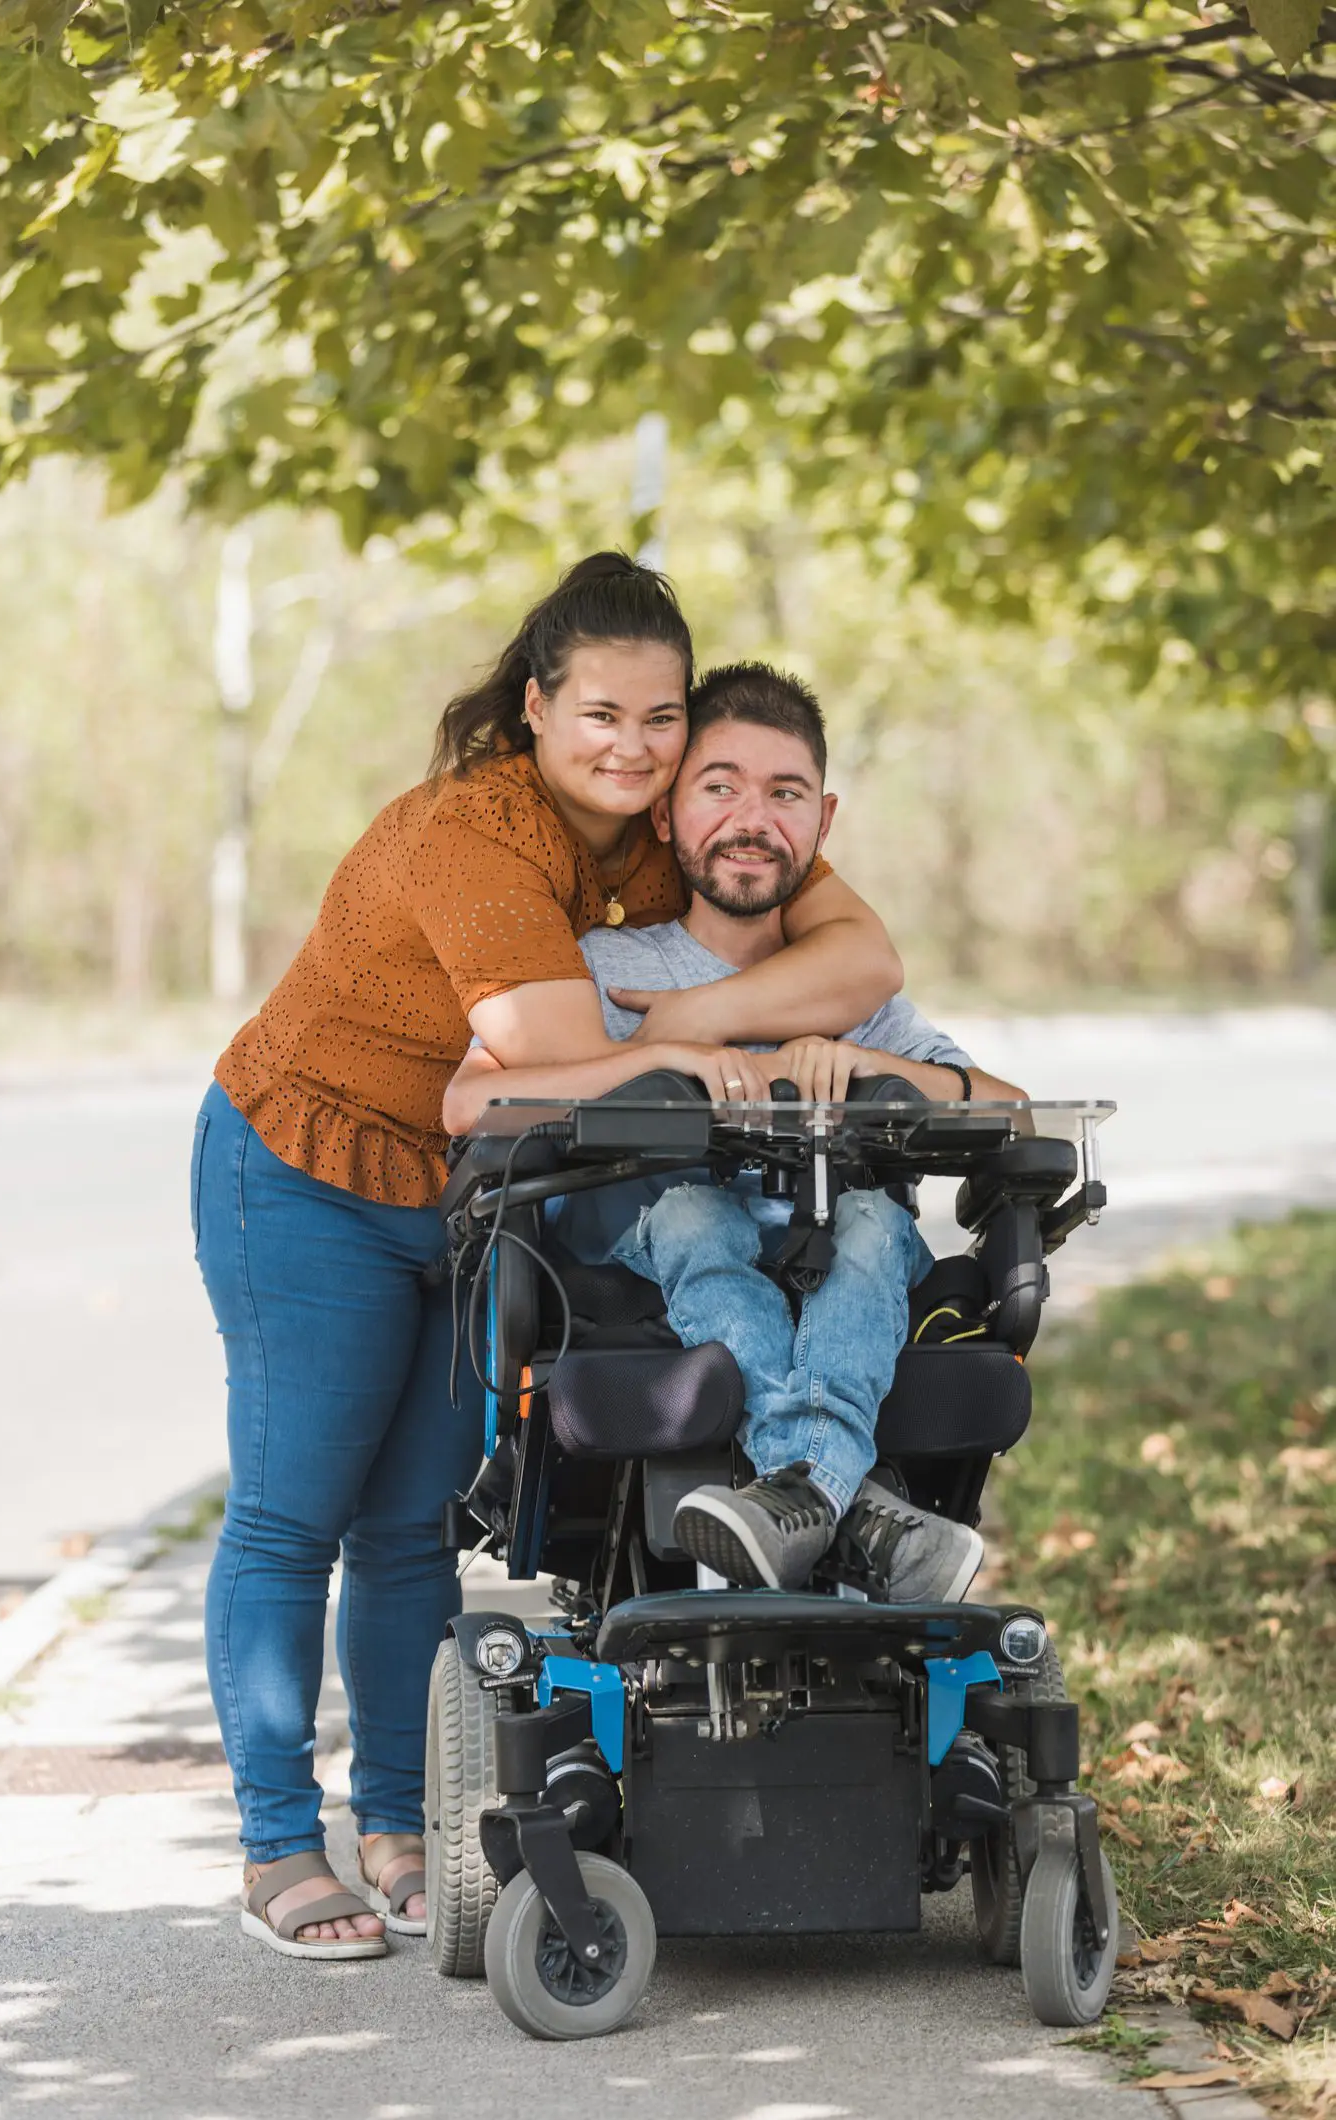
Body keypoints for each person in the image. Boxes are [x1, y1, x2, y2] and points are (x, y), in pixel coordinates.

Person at [193, 558, 906, 1957]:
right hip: (309, 1167)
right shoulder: (469, 836)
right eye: (601, 714)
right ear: (534, 704)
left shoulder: (657, 836)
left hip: (472, 1188)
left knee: (413, 1530)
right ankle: (278, 1845)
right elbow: (544, 1050)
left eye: (660, 720)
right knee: (296, 1513)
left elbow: (859, 962)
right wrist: (691, 1044)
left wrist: (666, 1001)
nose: (635, 749)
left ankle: (394, 1827)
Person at [443, 662, 1027, 1598]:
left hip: (831, 1247)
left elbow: (1012, 1108)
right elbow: (469, 1105)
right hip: (648, 1255)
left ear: (822, 823)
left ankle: (797, 1494)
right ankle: (849, 1499)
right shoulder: (605, 965)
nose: (753, 819)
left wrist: (867, 1066)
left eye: (784, 793)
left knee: (877, 1225)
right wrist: (656, 1061)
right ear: (667, 815)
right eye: (721, 788)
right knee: (693, 1216)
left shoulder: (847, 993)